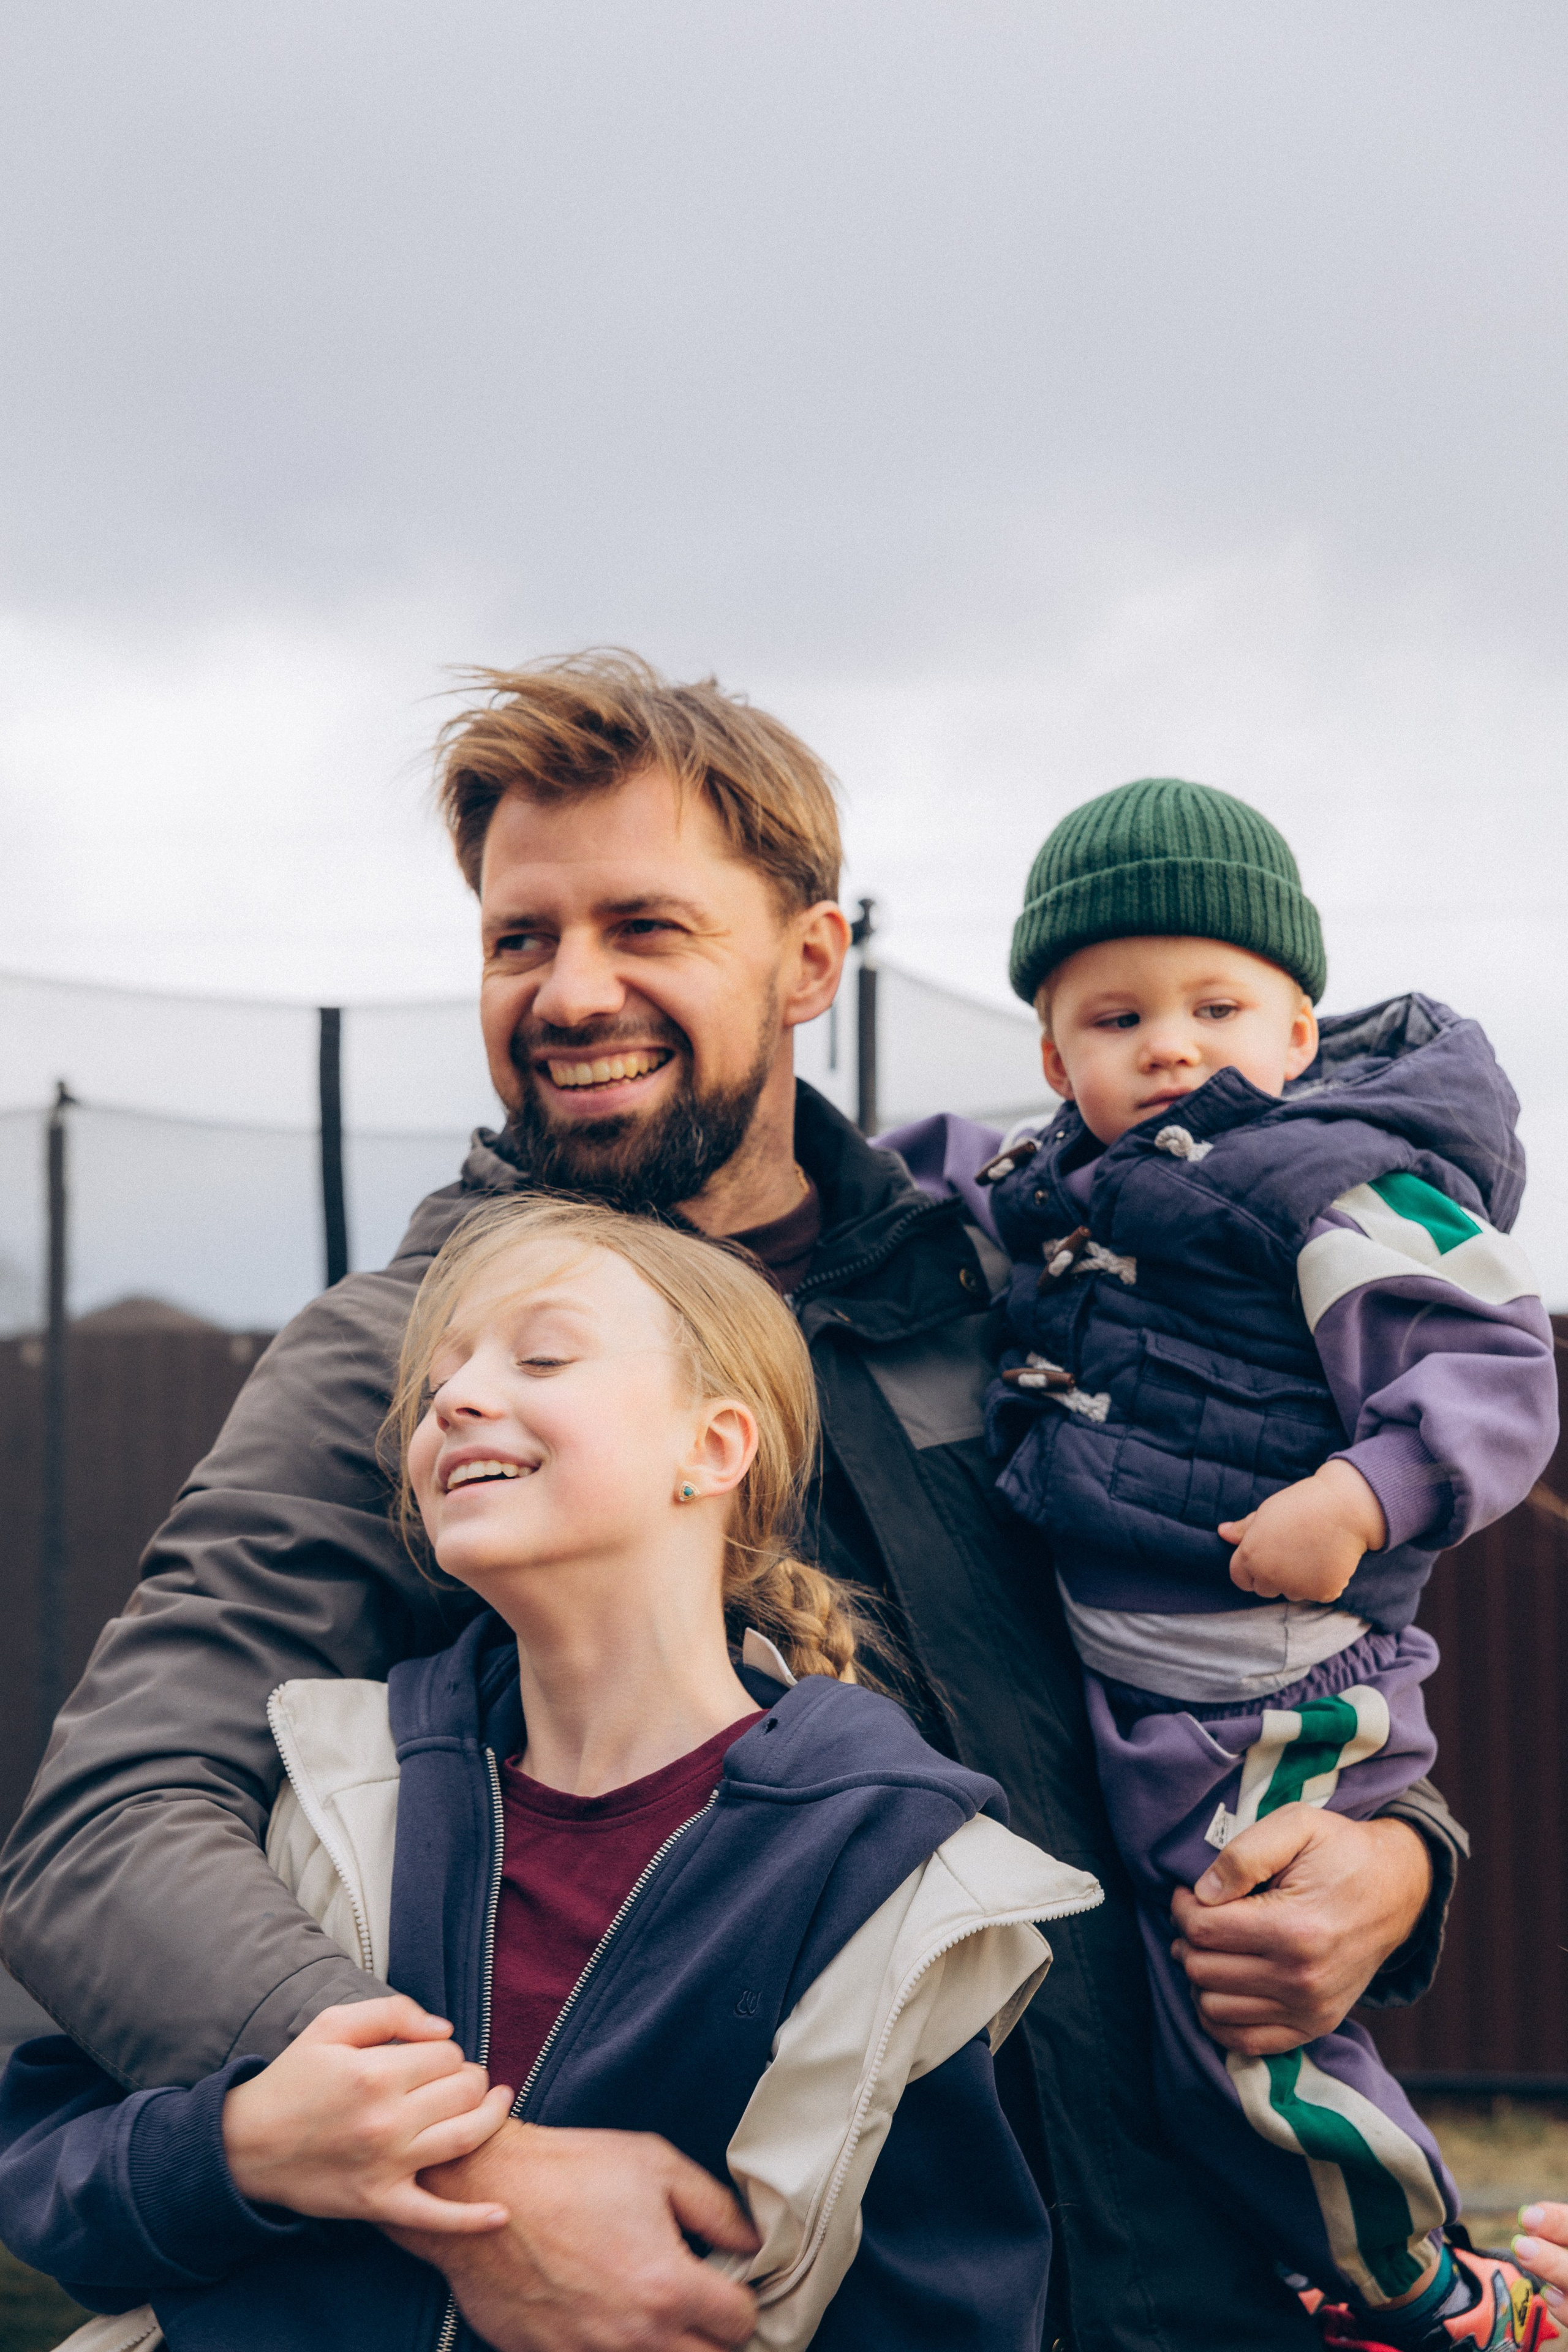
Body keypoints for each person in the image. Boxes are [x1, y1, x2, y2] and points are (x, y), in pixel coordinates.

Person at [0, 658, 1466, 2352]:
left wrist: (1397, 1864)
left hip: (1190, 2284)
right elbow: (110, 1827)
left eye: (646, 928)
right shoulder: (400, 1372)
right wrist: (473, 2162)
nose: (569, 992)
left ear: (811, 964)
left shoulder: (1026, 1279)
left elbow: (1295, 1627)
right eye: (518, 938)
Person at [0, 1197, 1093, 2349]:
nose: (457, 1400)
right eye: (436, 1387)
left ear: (714, 1448)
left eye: (544, 1356)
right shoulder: (321, 1784)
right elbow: (57, 2188)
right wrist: (240, 2149)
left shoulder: (891, 1881)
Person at [948, 776, 1558, 2349]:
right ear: (1050, 1056)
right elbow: (933, 1177)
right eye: (1113, 1015)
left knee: (1245, 2009)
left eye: (1215, 1003)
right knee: (1157, 2018)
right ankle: (1310, 2260)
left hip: (1277, 1691)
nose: (1167, 1043)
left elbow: (1490, 1371)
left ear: (1295, 1030)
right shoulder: (1062, 1194)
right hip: (1135, 1689)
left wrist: (1358, 1499)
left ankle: (1423, 2290)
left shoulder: (1335, 1185)